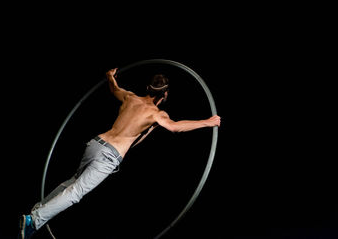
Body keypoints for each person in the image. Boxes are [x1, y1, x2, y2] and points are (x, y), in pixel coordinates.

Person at [19, 68, 221, 239]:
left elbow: (114, 88)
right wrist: (207, 122)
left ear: (148, 88)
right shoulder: (157, 113)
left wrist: (110, 76)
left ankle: (36, 211)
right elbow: (175, 127)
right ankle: (33, 221)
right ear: (165, 95)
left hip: (96, 143)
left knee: (72, 182)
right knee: (76, 192)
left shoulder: (130, 97)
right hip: (109, 156)